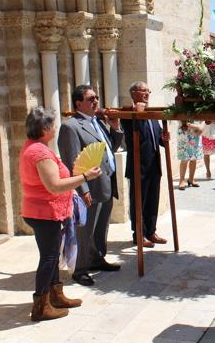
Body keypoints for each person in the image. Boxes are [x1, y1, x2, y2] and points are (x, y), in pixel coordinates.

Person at [21, 107, 102, 321]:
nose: (56, 128)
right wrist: (85, 176)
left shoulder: (35, 147)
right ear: (45, 128)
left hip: (46, 211)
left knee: (52, 255)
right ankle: (40, 306)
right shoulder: (39, 152)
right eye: (53, 125)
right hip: (44, 213)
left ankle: (55, 296)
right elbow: (55, 186)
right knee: (48, 257)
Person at [58, 85, 123, 287]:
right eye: (91, 98)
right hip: (89, 187)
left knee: (101, 227)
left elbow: (110, 149)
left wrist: (115, 127)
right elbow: (72, 162)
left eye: (96, 97)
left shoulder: (99, 122)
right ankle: (80, 269)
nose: (96, 101)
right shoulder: (71, 126)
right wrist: (82, 190)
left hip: (106, 184)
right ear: (78, 103)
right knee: (84, 231)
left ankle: (97, 259)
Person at [122, 81, 169, 248]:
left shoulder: (151, 113)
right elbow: (132, 135)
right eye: (143, 91)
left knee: (152, 200)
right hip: (138, 166)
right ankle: (139, 234)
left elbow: (156, 138)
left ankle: (151, 231)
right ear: (133, 93)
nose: (147, 94)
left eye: (148, 91)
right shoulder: (127, 112)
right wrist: (138, 114)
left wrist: (164, 139)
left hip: (154, 166)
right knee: (138, 202)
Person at [177, 121, 204, 189]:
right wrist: (197, 127)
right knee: (184, 158)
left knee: (194, 158)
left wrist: (200, 128)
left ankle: (191, 179)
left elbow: (203, 120)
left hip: (196, 133)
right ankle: (181, 180)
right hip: (185, 131)